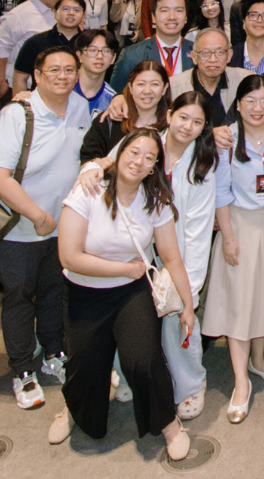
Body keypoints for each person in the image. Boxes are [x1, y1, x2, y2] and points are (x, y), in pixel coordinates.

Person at [47, 131, 196, 459]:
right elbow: (69, 257)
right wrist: (124, 269)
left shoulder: (155, 200)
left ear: (154, 166)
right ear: (119, 153)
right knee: (84, 365)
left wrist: (188, 305)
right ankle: (72, 409)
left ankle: (169, 424)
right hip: (83, 293)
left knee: (144, 359)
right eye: (133, 151)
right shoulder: (88, 190)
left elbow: (171, 257)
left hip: (131, 294)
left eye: (148, 157)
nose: (138, 160)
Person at [0, 45, 94, 410]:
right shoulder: (17, 114)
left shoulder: (79, 107)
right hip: (20, 228)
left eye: (69, 70)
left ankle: (53, 353)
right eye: (54, 70)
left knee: (52, 293)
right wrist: (36, 215)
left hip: (62, 226)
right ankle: (21, 370)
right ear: (38, 74)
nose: (63, 77)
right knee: (19, 298)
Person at [204, 75, 264, 423]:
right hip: (239, 225)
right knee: (240, 305)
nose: (258, 108)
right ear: (237, 105)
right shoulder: (227, 138)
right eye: (250, 101)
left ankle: (258, 361)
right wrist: (227, 237)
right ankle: (241, 383)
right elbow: (221, 193)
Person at [0, 0, 63, 90]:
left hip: (49, 86)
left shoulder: (57, 13)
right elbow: (0, 49)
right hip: (19, 85)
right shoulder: (19, 15)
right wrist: (0, 82)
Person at [12, 0, 86, 91]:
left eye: (76, 10)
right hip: (43, 100)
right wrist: (21, 103)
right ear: (55, 13)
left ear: (83, 15)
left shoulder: (89, 42)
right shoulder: (35, 42)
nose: (71, 13)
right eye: (65, 9)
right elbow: (20, 77)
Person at [73, 29, 118, 113]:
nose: (100, 56)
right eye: (92, 50)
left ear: (113, 58)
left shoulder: (113, 101)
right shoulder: (64, 89)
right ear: (79, 55)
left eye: (106, 51)